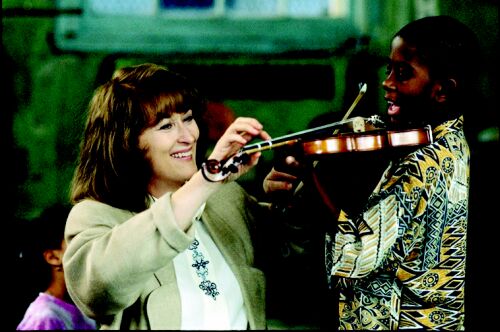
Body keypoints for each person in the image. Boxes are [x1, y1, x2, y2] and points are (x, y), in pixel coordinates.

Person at [263, 15, 478, 330]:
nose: (387, 82)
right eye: (389, 68)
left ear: (442, 90)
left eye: (403, 74)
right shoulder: (448, 138)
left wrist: (313, 174)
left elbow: (354, 257)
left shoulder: (423, 165)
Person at [62, 63, 272, 330]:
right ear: (127, 142)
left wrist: (298, 192)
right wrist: (206, 179)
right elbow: (99, 292)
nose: (188, 136)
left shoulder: (226, 198)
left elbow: (293, 251)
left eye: (188, 118)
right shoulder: (94, 215)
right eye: (165, 126)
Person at [16, 204, 97, 330]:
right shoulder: (44, 318)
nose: (89, 245)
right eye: (75, 239)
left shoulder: (84, 309)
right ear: (53, 257)